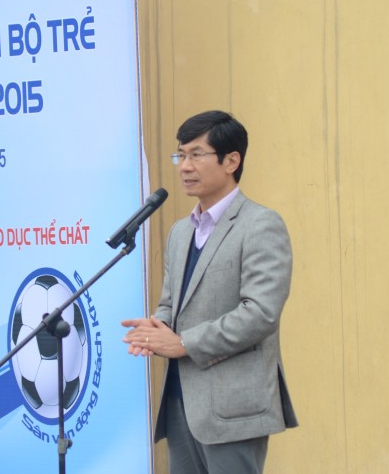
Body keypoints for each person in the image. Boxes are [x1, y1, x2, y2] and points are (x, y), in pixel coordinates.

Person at [122, 110, 297, 474]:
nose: (185, 166)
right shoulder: (180, 232)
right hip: (180, 403)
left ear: (231, 161)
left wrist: (183, 343)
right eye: (180, 155)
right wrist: (157, 327)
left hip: (233, 409)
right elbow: (172, 303)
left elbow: (260, 313)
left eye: (196, 155)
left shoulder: (260, 225)